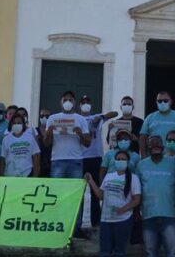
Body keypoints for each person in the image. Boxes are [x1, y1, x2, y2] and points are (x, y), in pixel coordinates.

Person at [85, 150, 142, 257]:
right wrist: (91, 181)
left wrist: (124, 208)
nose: (120, 161)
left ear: (127, 162)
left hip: (123, 219)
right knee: (104, 252)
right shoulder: (109, 176)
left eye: (123, 159)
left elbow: (136, 199)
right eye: (118, 159)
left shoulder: (133, 178)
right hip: (106, 219)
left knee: (119, 251)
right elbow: (101, 195)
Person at [134, 135, 175, 257]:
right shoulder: (141, 165)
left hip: (170, 214)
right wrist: (136, 211)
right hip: (148, 214)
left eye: (158, 144)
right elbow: (137, 189)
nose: (155, 146)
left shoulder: (173, 163)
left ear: (163, 146)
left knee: (172, 252)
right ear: (147, 147)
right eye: (152, 144)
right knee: (151, 252)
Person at [45, 91, 91, 238]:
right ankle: (56, 226)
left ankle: (75, 229)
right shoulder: (52, 118)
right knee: (56, 195)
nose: (68, 102)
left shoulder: (80, 119)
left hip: (75, 161)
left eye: (70, 100)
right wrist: (49, 132)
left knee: (76, 196)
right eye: (65, 99)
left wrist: (80, 133)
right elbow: (46, 143)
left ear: (75, 102)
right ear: (60, 102)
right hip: (57, 161)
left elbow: (88, 143)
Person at [80, 95, 118, 230]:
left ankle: (95, 222)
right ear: (80, 105)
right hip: (81, 158)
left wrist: (101, 117)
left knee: (96, 192)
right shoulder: (77, 119)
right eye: (83, 102)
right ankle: (77, 224)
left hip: (96, 158)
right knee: (79, 192)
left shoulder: (96, 117)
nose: (85, 104)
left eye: (87, 102)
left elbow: (115, 113)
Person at [139, 91, 175, 157]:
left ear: (171, 101)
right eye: (160, 101)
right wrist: (143, 156)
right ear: (156, 102)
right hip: (154, 158)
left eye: (165, 101)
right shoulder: (150, 117)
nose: (162, 103)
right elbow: (142, 138)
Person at [35, 108, 53, 177]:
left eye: (47, 116)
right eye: (42, 116)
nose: (44, 118)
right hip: (38, 164)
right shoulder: (34, 131)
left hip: (51, 164)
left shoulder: (55, 131)